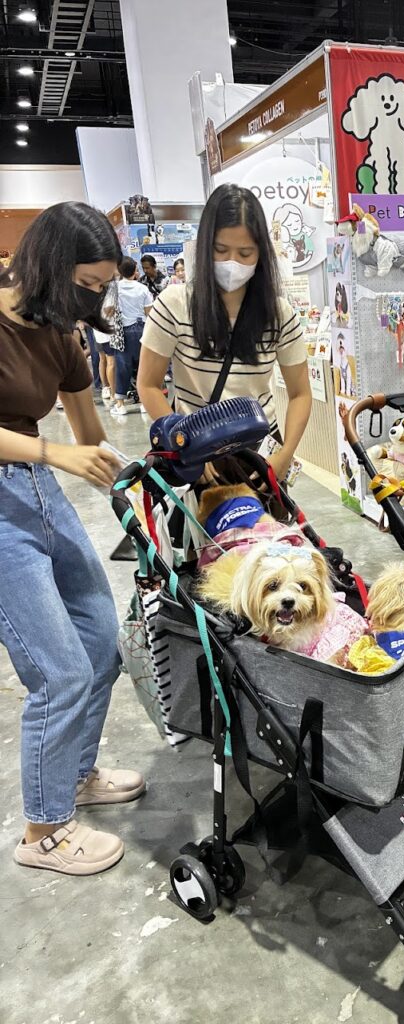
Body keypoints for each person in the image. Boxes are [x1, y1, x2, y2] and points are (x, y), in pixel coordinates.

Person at [0, 202, 144, 877]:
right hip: (6, 502)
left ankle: (75, 776)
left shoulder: (61, 334)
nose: (96, 296)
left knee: (98, 644)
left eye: (104, 283)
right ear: (53, 268)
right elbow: (65, 449)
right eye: (87, 283)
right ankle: (44, 831)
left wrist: (149, 471)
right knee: (57, 671)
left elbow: (91, 435)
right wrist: (54, 454)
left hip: (39, 493)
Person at [137, 183, 311, 484]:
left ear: (261, 254)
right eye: (221, 250)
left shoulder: (279, 314)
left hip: (260, 455)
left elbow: (300, 393)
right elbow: (148, 384)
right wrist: (185, 446)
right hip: (196, 456)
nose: (233, 262)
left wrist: (284, 456)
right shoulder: (176, 304)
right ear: (205, 247)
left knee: (270, 532)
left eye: (245, 253)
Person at [108, 257, 153, 418]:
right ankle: (143, 402)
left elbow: (109, 310)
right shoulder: (142, 288)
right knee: (142, 366)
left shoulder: (114, 288)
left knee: (122, 367)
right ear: (135, 271)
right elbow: (150, 312)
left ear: (119, 271)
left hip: (122, 332)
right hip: (142, 329)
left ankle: (120, 404)